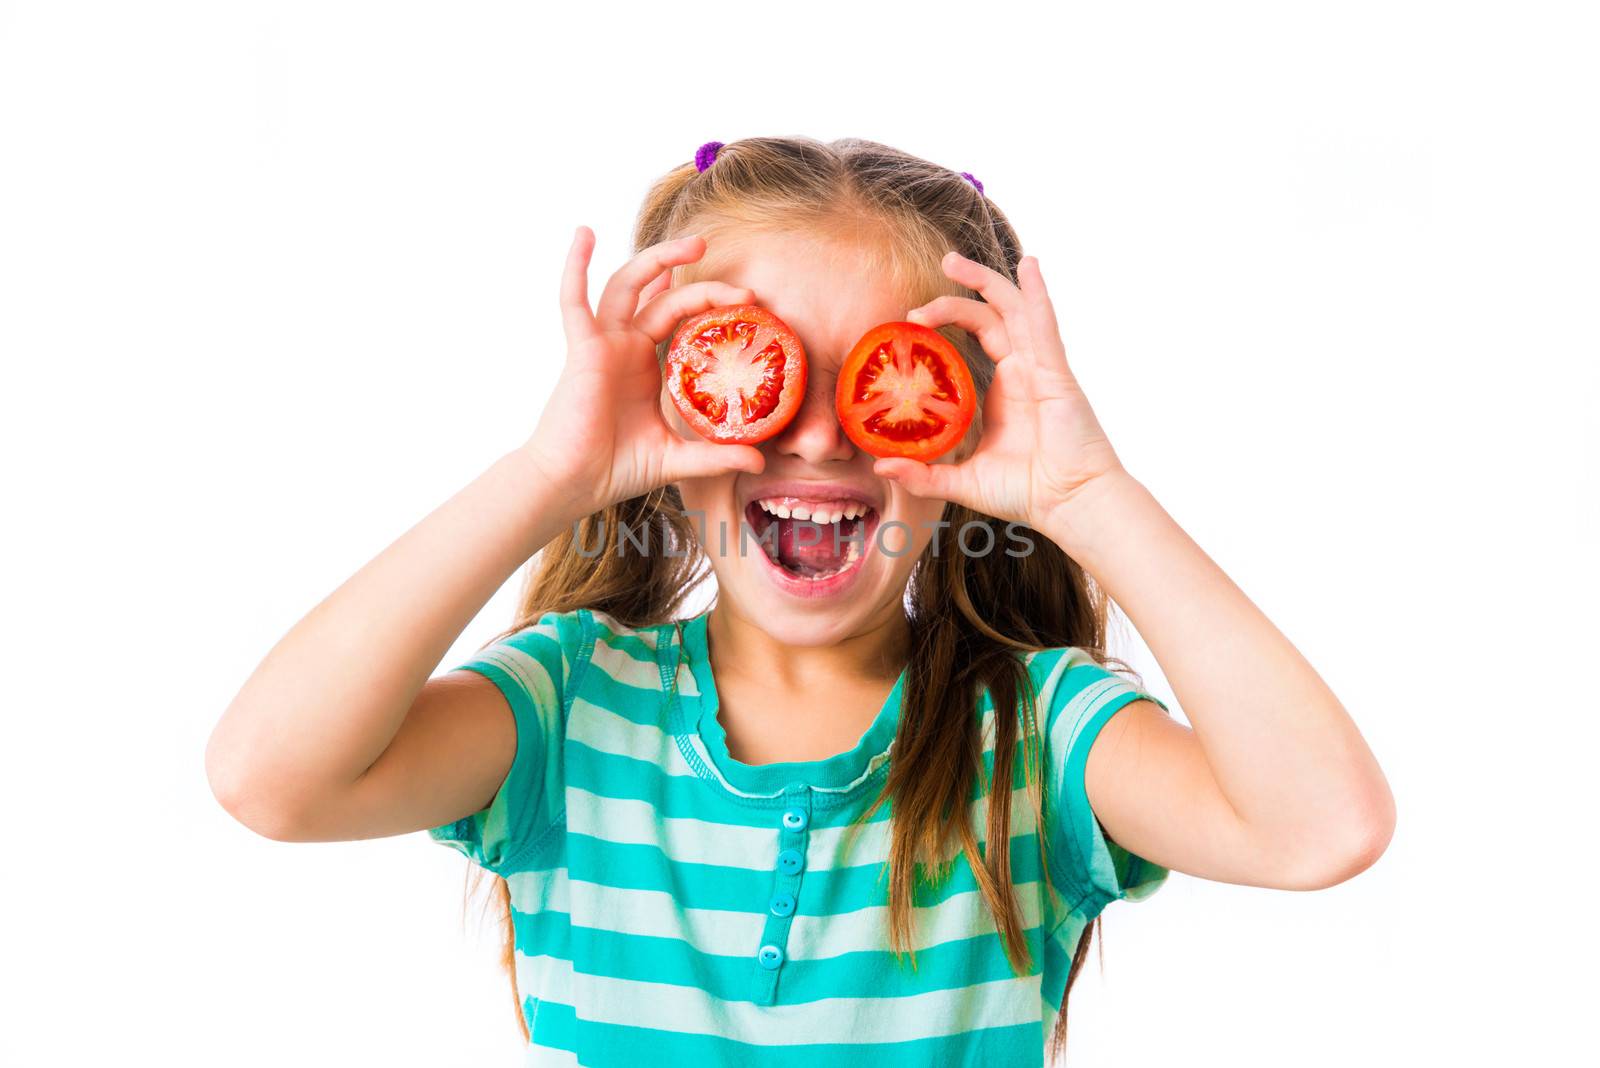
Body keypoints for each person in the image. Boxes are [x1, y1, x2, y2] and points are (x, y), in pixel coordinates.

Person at [206, 135, 1395, 1066]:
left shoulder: (1033, 733)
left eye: (892, 381)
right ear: (666, 410)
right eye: (751, 376)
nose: (821, 431)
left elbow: (1321, 829)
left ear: (970, 423)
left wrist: (1086, 493)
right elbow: (272, 779)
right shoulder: (570, 704)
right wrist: (546, 478)